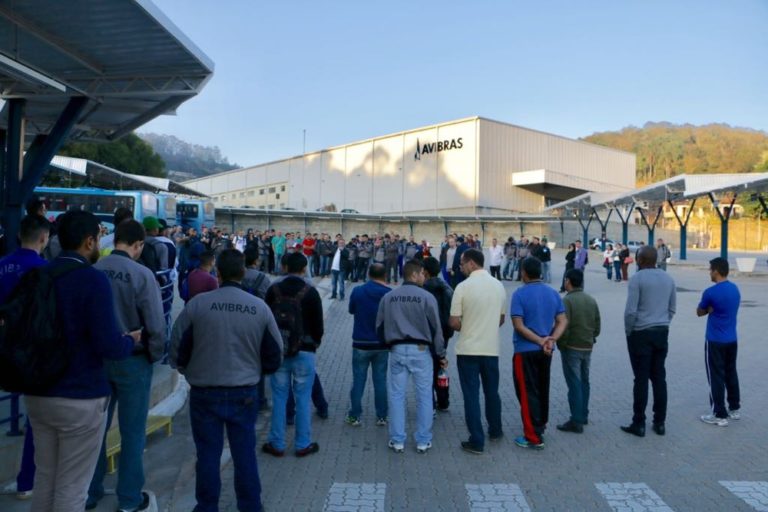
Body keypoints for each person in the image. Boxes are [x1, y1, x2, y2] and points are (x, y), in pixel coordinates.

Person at [23, 210, 140, 512]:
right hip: (79, 396)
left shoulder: (37, 275)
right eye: (99, 237)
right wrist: (131, 340)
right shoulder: (92, 280)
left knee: (46, 479)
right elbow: (108, 344)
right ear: (89, 241)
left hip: (37, 393)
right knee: (73, 488)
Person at [170, 249, 282, 512]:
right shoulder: (259, 308)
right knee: (244, 455)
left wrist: (188, 371)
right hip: (244, 391)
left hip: (204, 392)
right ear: (243, 273)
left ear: (217, 272)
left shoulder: (198, 305)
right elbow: (274, 354)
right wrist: (254, 372)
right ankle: (250, 506)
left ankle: (207, 506)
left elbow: (176, 346)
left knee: (207, 455)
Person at [87, 220, 167, 511]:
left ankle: (90, 492)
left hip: (96, 361)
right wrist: (155, 354)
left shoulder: (93, 270)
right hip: (133, 361)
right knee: (133, 433)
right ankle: (129, 500)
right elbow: (156, 325)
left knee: (95, 429)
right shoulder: (143, 275)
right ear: (138, 245)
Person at [0, 214, 50, 500]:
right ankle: (25, 481)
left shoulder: (2, 265)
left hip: (2, 348)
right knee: (36, 419)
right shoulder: (44, 270)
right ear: (43, 238)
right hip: (31, 353)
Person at [376, 260, 446, 454]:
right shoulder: (427, 297)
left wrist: (387, 344)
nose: (424, 277)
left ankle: (397, 440)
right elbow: (436, 329)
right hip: (421, 350)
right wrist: (440, 353)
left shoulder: (389, 296)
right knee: (424, 396)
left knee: (397, 396)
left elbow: (379, 325)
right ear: (415, 275)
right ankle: (423, 440)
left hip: (397, 350)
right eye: (422, 274)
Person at [263, 253, 324, 457]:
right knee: (303, 398)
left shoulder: (274, 290)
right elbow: (318, 326)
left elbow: (267, 321)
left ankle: (276, 443)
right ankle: (302, 444)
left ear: (284, 266)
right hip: (305, 352)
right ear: (304, 269)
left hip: (279, 352)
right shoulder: (311, 292)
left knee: (279, 398)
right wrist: (313, 343)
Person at [448, 249, 506, 454]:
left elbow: (454, 321)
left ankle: (477, 440)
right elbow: (501, 319)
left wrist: (469, 327)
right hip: (491, 349)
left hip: (468, 350)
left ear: (471, 263)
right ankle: (496, 430)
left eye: (462, 264)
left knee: (471, 395)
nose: (460, 267)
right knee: (492, 392)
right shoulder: (498, 286)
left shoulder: (462, 287)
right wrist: (485, 327)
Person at [510, 257, 567, 450]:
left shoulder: (519, 294)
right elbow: (562, 320)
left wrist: (539, 340)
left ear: (524, 272)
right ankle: (540, 424)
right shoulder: (552, 293)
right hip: (545, 351)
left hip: (525, 351)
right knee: (542, 388)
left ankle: (533, 436)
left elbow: (518, 325)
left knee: (527, 393)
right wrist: (551, 339)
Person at [621, 246, 676, 437]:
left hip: (640, 333)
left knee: (641, 378)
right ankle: (660, 422)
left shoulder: (637, 279)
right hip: (661, 332)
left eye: (637, 257)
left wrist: (629, 331)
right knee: (659, 377)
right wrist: (663, 323)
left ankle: (639, 423)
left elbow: (631, 311)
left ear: (641, 260)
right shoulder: (668, 279)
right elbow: (672, 308)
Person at [697, 257, 741, 427]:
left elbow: (699, 312)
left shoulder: (710, 292)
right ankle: (734, 408)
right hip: (732, 339)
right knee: (731, 372)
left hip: (715, 340)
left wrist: (708, 309)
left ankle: (719, 413)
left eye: (710, 270)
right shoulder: (735, 289)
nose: (709, 272)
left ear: (716, 270)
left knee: (716, 375)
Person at [345, 263, 391, 426]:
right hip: (381, 344)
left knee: (358, 380)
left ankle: (354, 415)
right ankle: (382, 416)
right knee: (380, 381)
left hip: (360, 342)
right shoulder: (388, 293)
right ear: (385, 275)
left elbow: (351, 310)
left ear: (369, 274)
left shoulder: (358, 291)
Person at [556, 269, 601, 434]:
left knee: (574, 383)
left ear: (568, 281)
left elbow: (563, 326)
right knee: (584, 381)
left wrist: (562, 344)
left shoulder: (567, 301)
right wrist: (591, 338)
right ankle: (583, 414)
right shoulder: (591, 300)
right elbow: (597, 325)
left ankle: (576, 420)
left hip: (571, 347)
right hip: (587, 346)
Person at [422, 257, 455, 412]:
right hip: (444, 335)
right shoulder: (447, 288)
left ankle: (430, 403)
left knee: (427, 370)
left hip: (426, 335)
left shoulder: (422, 290)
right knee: (440, 366)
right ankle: (443, 400)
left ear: (426, 272)